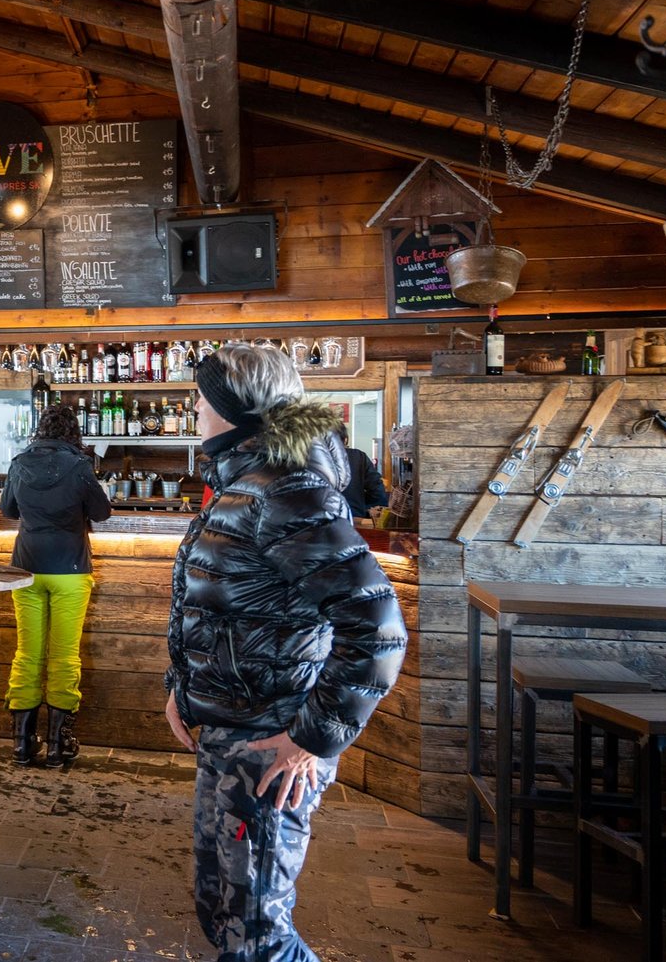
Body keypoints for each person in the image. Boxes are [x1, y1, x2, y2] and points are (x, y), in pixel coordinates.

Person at [165, 343, 406, 962]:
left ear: (233, 405)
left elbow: (377, 628)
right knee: (223, 916)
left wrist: (313, 739)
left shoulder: (287, 490)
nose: (194, 407)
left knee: (257, 938)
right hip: (229, 728)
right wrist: (182, 689)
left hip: (271, 741)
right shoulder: (243, 482)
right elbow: (215, 607)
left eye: (202, 397)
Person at [0, 404, 111, 769]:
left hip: (27, 568)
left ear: (40, 431)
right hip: (69, 569)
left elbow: (8, 511)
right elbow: (102, 512)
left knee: (27, 653)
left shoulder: (19, 463)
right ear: (73, 432)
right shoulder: (79, 465)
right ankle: (57, 746)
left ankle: (21, 743)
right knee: (64, 656)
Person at [339, 427, 389, 519]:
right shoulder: (359, 457)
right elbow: (376, 488)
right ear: (345, 440)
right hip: (353, 517)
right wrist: (365, 508)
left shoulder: (312, 457)